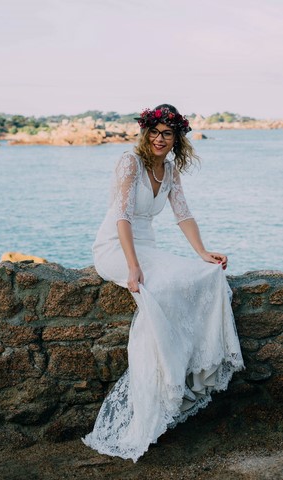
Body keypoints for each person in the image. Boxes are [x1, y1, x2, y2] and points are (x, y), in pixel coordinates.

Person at [82, 104, 244, 462]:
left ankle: (179, 377)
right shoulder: (130, 162)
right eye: (154, 132)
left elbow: (183, 214)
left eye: (166, 134)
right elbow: (123, 218)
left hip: (148, 247)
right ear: (145, 133)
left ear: (176, 139)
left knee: (206, 275)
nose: (159, 139)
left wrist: (202, 251)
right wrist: (132, 266)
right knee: (159, 289)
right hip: (116, 246)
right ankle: (156, 392)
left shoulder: (169, 170)